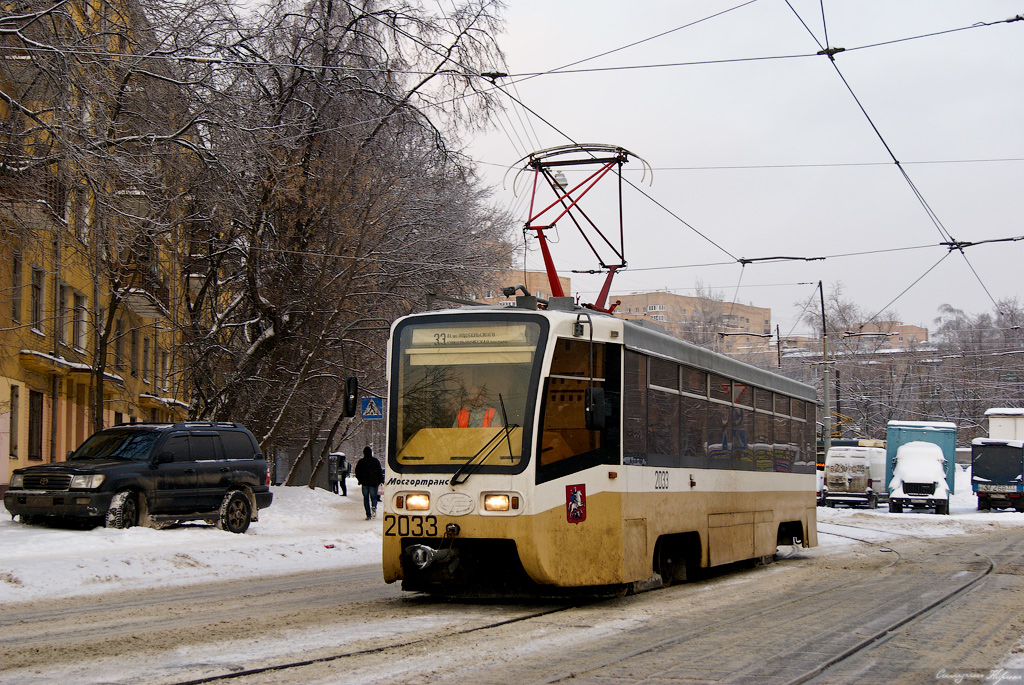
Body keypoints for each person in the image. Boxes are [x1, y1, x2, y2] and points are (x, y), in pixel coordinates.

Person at [355, 446, 384, 520]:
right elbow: (379, 472)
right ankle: (374, 506)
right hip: (373, 482)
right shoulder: (375, 461)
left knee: (366, 498)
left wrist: (360, 480)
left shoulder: (361, 462)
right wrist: (380, 481)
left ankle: (368, 514)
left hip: (364, 483)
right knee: (374, 497)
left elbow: (357, 472)